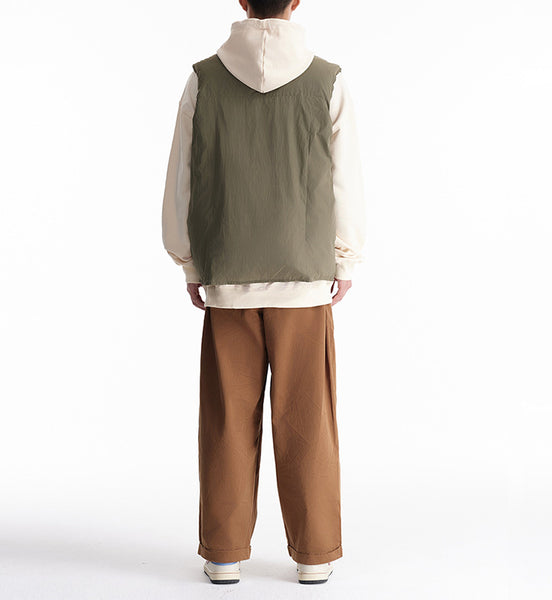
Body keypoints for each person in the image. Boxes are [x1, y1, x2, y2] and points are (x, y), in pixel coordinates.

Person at [161, 0, 366, 585]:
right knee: (308, 422)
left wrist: (189, 261)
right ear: (296, 2)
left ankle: (223, 555)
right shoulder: (329, 81)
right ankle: (314, 556)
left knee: (227, 420)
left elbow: (182, 178)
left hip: (228, 276)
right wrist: (345, 257)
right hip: (305, 279)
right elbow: (345, 180)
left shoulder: (203, 80)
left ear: (242, 2)